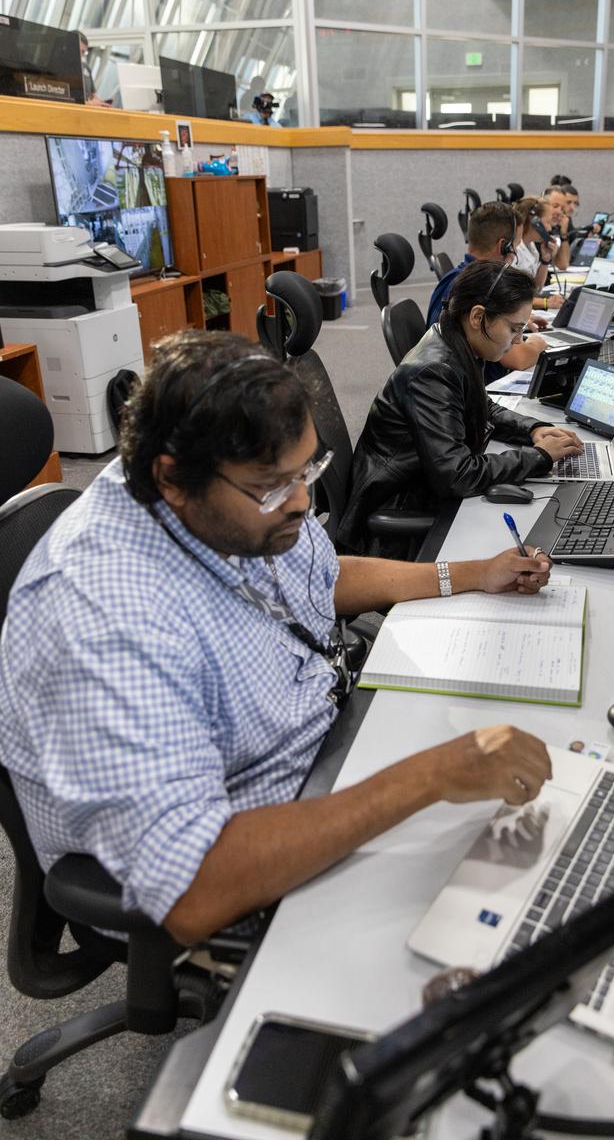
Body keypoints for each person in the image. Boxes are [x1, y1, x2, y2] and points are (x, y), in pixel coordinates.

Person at [0, 331, 556, 945]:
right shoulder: (101, 616)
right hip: (248, 852)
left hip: (330, 749)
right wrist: (430, 776)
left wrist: (473, 574)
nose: (299, 502)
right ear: (171, 478)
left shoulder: (232, 504)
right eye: (273, 486)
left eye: (307, 472)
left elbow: (322, 577)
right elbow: (195, 886)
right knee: (505, 933)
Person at [338, 260, 583, 557]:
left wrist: (533, 429)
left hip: (424, 482)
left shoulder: (455, 339)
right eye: (514, 329)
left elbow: (483, 406)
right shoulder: (434, 371)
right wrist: (541, 457)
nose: (519, 340)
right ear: (478, 316)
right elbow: (458, 475)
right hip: (402, 504)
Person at [426, 201, 548, 378]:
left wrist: (515, 321)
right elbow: (518, 359)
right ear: (502, 246)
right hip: (485, 386)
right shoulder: (478, 287)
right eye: (515, 247)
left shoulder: (460, 276)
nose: (515, 255)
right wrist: (538, 344)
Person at [78, 32, 112, 108]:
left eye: (84, 52)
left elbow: (93, 96)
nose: (82, 55)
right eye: (81, 51)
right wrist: (87, 103)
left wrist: (101, 103)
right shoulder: (59, 68)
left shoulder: (86, 68)